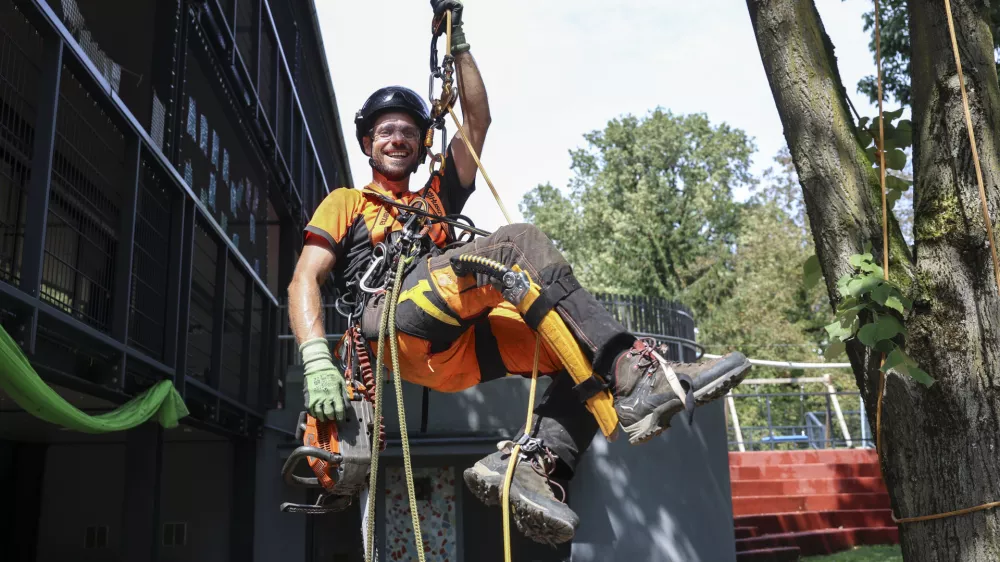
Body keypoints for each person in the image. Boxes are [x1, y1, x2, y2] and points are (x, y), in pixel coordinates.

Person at [287, 0, 751, 546]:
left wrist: (459, 46)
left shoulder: (434, 200)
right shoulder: (345, 202)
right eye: (386, 131)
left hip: (450, 350)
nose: (397, 139)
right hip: (389, 317)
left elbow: (478, 120)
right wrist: (316, 361)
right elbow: (304, 280)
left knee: (574, 356)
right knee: (517, 242)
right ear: (368, 143)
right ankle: (636, 368)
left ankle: (535, 463)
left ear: (419, 147)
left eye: (408, 132)